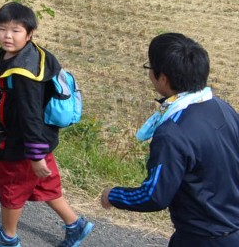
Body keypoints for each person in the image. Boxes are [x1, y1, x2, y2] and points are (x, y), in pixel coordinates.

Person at [101, 33, 239, 246]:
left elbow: (154, 195)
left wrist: (114, 195)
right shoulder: (222, 108)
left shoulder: (172, 132)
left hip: (201, 237)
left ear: (163, 77)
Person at [0, 2, 93, 247]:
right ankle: (75, 225)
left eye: (16, 30)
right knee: (45, 184)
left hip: (24, 143)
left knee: (11, 188)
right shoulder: (24, 54)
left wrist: (36, 155)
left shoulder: (24, 73)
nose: (7, 35)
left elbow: (30, 116)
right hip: (40, 140)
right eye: (2, 28)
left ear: (29, 34)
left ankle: (7, 236)